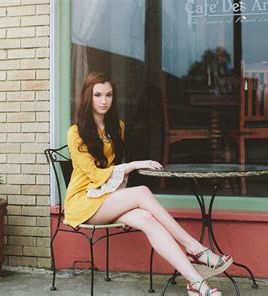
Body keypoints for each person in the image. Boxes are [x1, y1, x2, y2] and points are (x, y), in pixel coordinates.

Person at [64, 72, 233, 296]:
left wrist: (125, 178)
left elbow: (111, 174)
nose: (104, 101)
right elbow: (95, 175)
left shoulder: (117, 127)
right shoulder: (75, 132)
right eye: (97, 95)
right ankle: (196, 248)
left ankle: (196, 283)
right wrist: (134, 164)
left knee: (147, 220)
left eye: (109, 95)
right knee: (143, 191)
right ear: (88, 97)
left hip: (106, 199)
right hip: (82, 202)